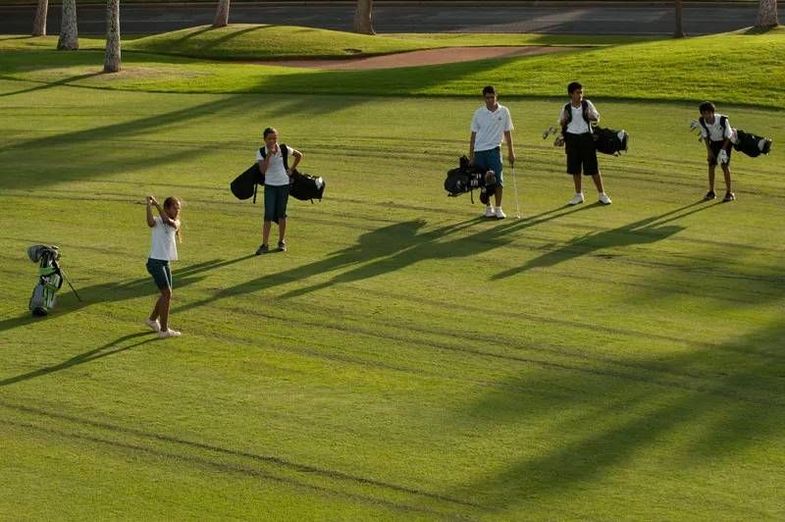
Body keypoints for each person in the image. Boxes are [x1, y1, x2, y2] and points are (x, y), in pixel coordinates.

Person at [559, 81, 612, 206]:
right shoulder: (566, 107)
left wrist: (591, 116)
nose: (580, 95)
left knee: (593, 168)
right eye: (578, 92)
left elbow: (596, 118)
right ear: (571, 94)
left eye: (581, 92)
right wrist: (563, 129)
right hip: (572, 139)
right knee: (575, 169)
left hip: (586, 138)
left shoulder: (587, 104)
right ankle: (578, 195)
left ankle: (602, 194)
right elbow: (562, 123)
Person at [469, 85, 516, 219]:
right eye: (487, 98)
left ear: (496, 97)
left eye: (492, 97)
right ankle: (488, 208)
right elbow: (473, 135)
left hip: (495, 149)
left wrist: (511, 152)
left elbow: (507, 133)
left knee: (498, 180)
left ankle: (498, 208)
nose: (490, 100)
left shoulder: (504, 111)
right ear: (484, 98)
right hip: (480, 150)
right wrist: (471, 155)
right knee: (483, 181)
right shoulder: (479, 113)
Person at [255, 127, 303, 254]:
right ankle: (264, 244)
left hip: (283, 185)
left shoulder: (283, 149)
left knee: (281, 214)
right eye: (270, 139)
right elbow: (263, 170)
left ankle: (281, 242)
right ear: (264, 139)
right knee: (268, 215)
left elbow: (299, 155)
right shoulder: (261, 152)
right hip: (270, 186)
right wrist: (269, 154)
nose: (272, 141)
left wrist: (291, 169)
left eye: (275, 138)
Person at [145, 195, 182, 339]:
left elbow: (168, 221)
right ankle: (164, 330)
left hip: (165, 262)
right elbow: (149, 222)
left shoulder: (176, 222)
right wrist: (149, 205)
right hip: (155, 262)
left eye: (178, 208)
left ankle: (152, 320)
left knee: (166, 294)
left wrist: (156, 204)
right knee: (167, 294)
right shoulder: (158, 221)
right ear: (167, 208)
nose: (177, 211)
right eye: (174, 208)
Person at [697, 101, 735, 202]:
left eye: (708, 113)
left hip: (725, 143)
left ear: (712, 112)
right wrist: (709, 151)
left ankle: (729, 193)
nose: (706, 115)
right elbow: (705, 136)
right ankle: (711, 192)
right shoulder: (702, 121)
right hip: (713, 143)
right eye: (704, 113)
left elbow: (729, 135)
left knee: (724, 166)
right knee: (711, 166)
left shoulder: (722, 120)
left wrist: (723, 150)